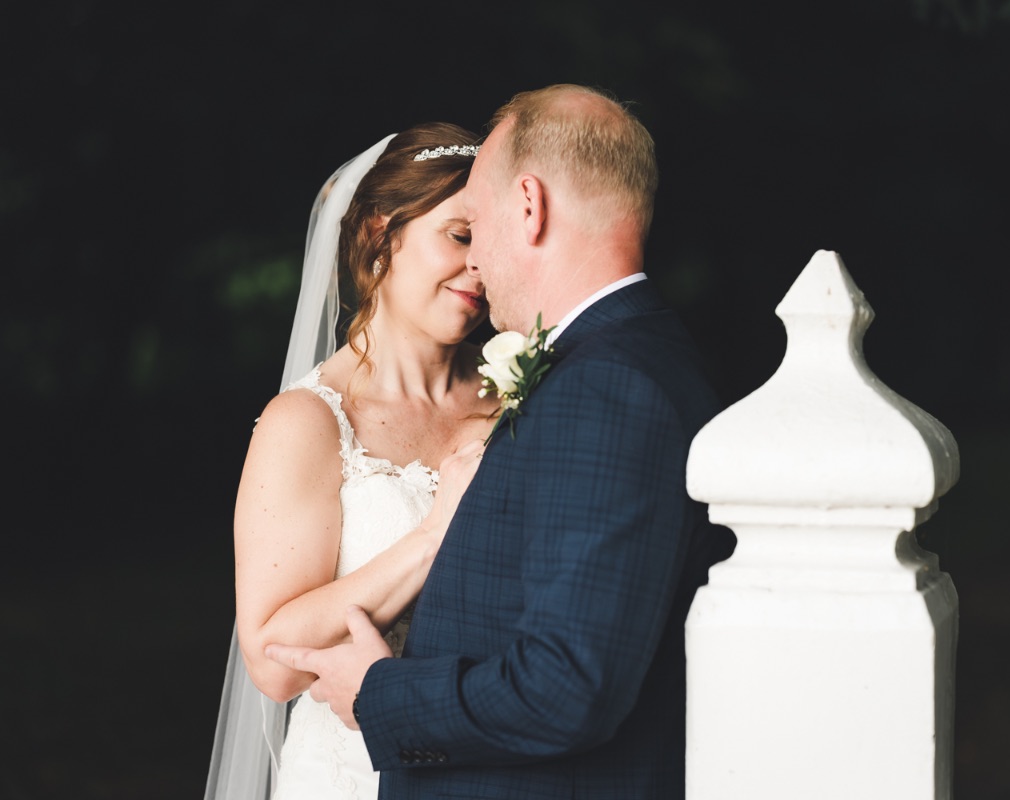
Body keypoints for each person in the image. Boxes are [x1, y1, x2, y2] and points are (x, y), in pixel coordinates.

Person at [265, 83, 737, 799]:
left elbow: (568, 683)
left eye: (474, 224)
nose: (477, 262)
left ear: (528, 206)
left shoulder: (604, 387)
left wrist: (381, 691)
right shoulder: (600, 369)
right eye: (455, 234)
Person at [204, 122, 498, 800]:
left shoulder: (520, 399)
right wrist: (431, 537)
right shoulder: (307, 423)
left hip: (492, 761)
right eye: (458, 236)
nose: (480, 266)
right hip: (352, 774)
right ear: (377, 235)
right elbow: (274, 661)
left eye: (491, 242)